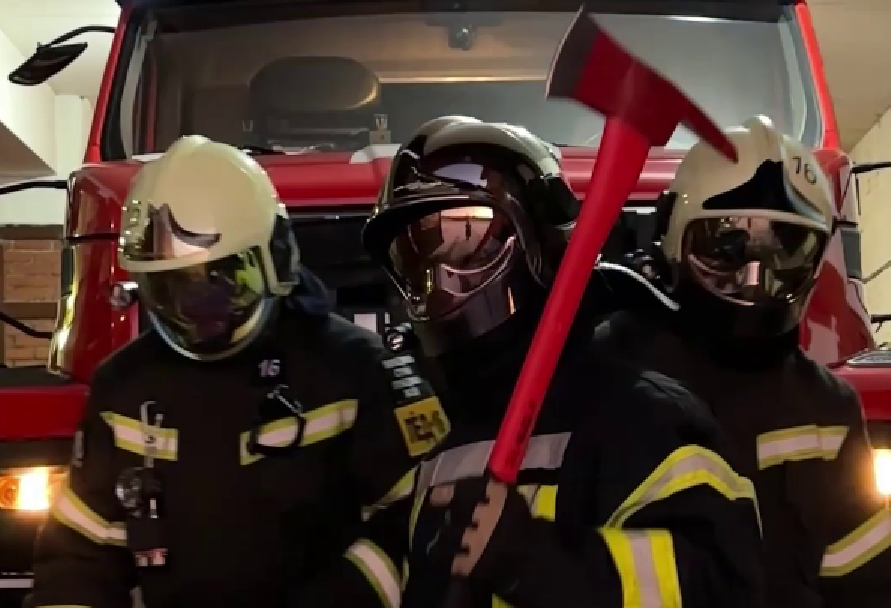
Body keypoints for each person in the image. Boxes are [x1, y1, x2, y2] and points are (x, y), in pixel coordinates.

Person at [28, 135, 449, 608]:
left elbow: (417, 523)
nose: (196, 313)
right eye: (170, 289)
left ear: (273, 258)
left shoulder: (355, 370)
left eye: (219, 282)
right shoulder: (124, 388)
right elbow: (78, 559)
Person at [360, 116, 764, 608]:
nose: (438, 281)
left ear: (541, 237)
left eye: (464, 237)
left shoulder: (643, 423)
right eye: (414, 256)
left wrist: (536, 563)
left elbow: (720, 586)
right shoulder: (446, 438)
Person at [592, 115, 891, 608]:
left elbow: (866, 584)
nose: (755, 280)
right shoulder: (611, 378)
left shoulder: (827, 407)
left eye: (785, 250)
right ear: (674, 238)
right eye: (726, 247)